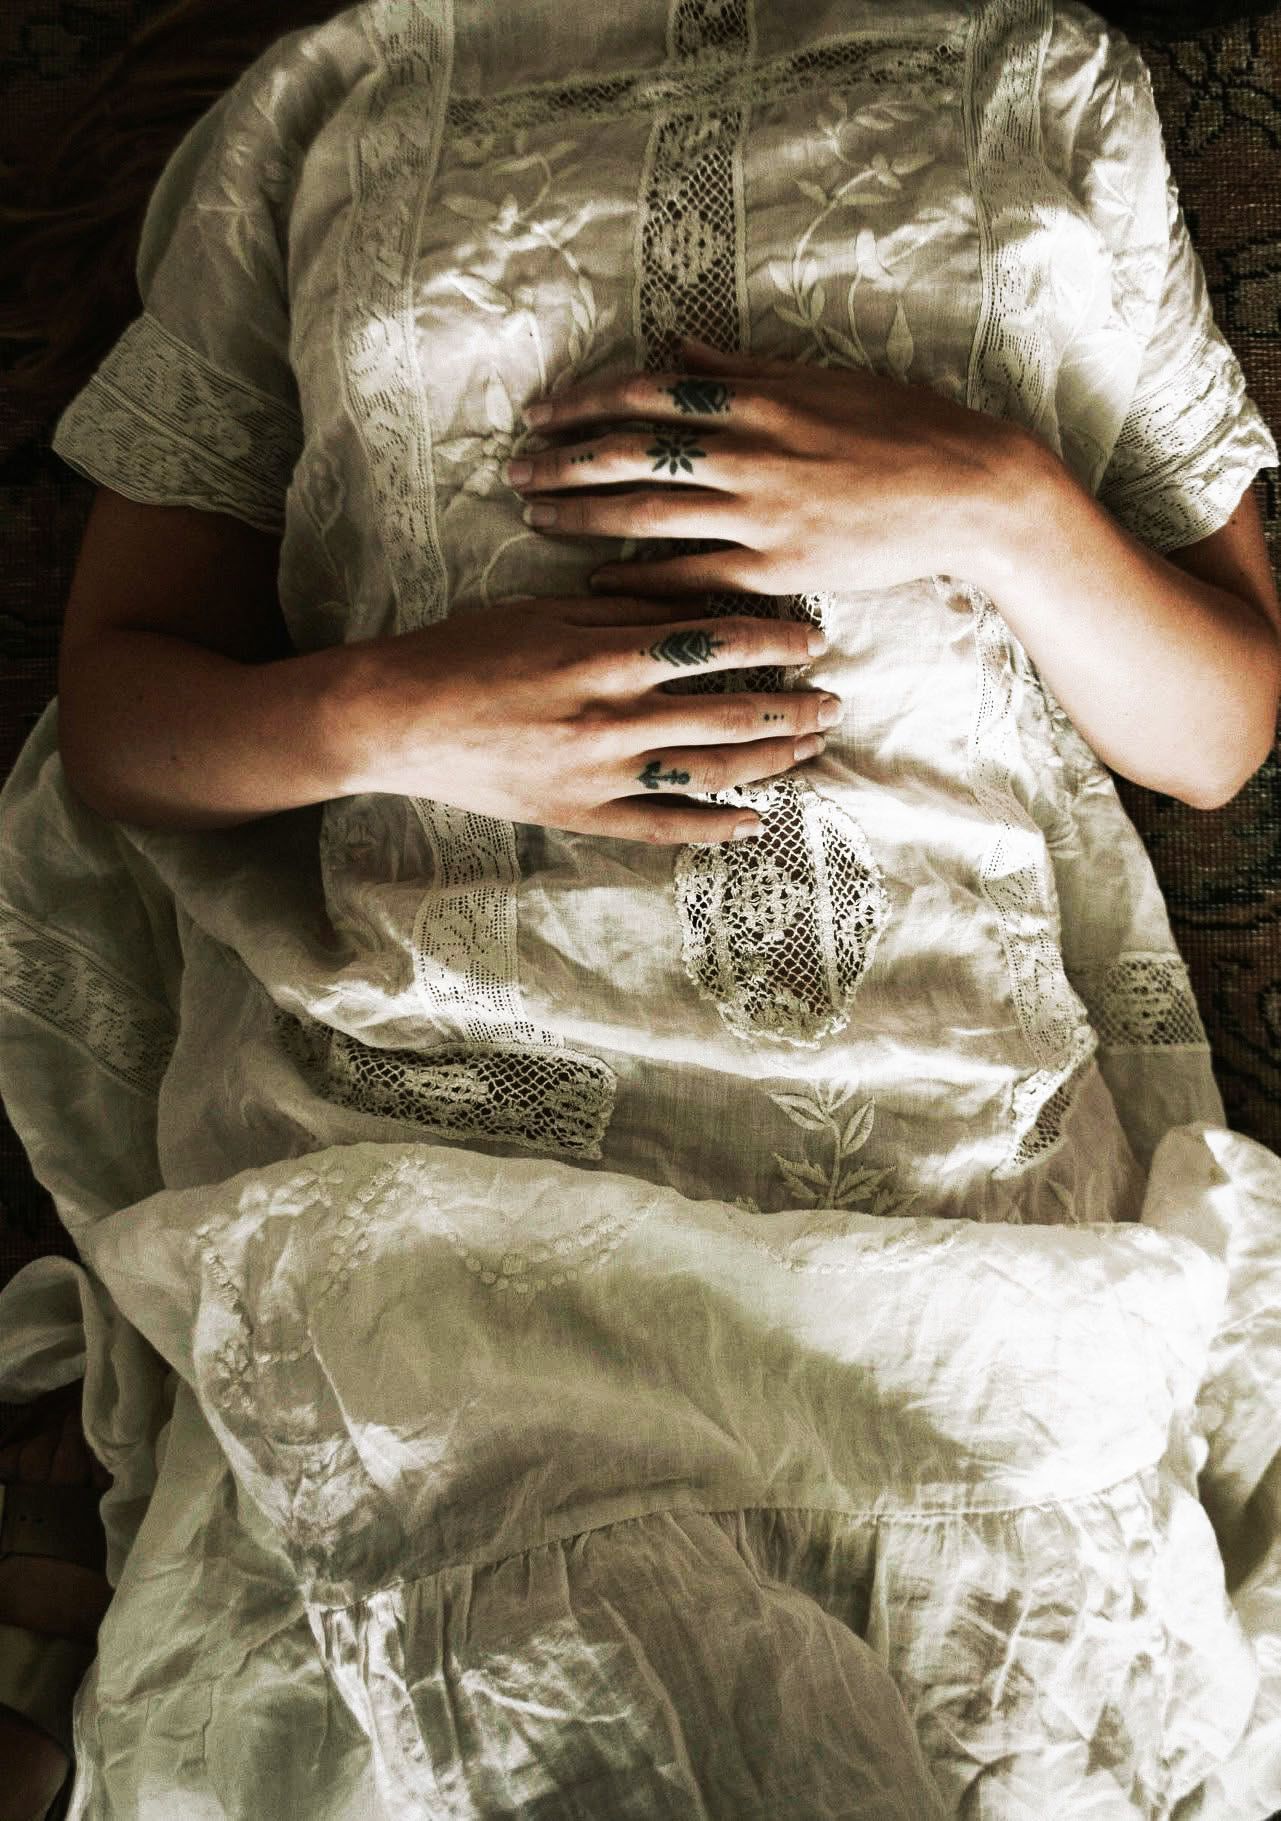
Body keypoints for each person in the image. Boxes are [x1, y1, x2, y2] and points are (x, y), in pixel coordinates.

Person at [1, 0, 1281, 1815]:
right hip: (436, 1112)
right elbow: (122, 712)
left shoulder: (1042, 78)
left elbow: (1217, 722)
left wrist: (988, 498)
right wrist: (411, 710)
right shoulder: (340, 89)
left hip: (928, 1145)